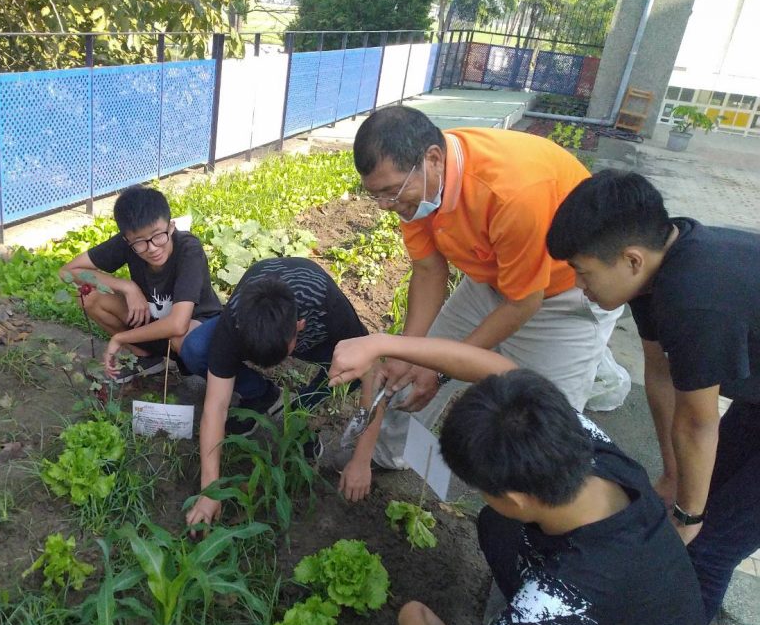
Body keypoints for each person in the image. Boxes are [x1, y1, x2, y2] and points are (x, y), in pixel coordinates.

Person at [328, 336, 707, 625]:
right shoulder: (573, 435)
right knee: (499, 527)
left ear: (517, 498)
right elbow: (493, 368)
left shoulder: (569, 588)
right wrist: (382, 343)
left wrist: (411, 620)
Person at [347, 106, 625, 496]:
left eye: (392, 192)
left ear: (433, 159)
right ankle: (387, 454)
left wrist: (442, 370)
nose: (388, 205)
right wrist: (407, 353)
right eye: (377, 195)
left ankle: (542, 518)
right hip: (488, 279)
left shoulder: (512, 192)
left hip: (564, 295)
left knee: (547, 421)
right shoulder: (418, 189)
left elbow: (523, 303)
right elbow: (429, 271)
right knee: (412, 369)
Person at [547, 169, 760, 623]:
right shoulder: (660, 261)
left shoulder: (694, 296)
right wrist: (672, 473)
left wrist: (687, 516)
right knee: (701, 498)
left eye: (583, 273)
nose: (580, 286)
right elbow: (660, 373)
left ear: (630, 259)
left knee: (710, 542)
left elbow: (697, 421)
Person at [182, 257, 370, 528]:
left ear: (299, 328)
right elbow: (215, 408)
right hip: (268, 327)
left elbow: (372, 372)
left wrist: (362, 459)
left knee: (350, 376)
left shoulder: (328, 308)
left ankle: (298, 409)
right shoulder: (236, 321)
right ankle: (263, 396)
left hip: (323, 339)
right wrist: (209, 492)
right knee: (196, 349)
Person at [58, 186, 221, 382]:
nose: (152, 248)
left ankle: (250, 389)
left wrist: (120, 338)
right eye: (140, 242)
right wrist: (127, 287)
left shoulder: (189, 249)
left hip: (194, 331)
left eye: (158, 236)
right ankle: (146, 359)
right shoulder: (129, 242)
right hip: (153, 326)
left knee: (183, 338)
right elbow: (67, 271)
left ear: (171, 226)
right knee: (89, 297)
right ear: (127, 240)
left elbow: (178, 325)